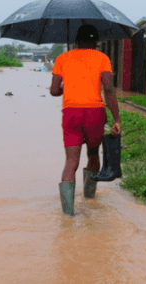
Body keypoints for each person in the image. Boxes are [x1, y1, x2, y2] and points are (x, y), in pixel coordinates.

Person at [50, 25, 121, 216]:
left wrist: (71, 87)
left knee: (71, 161)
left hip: (70, 113)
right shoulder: (102, 58)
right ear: (95, 42)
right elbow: (108, 90)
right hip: (94, 113)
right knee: (93, 155)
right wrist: (116, 119)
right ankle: (89, 199)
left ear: (76, 41)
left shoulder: (62, 58)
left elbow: (54, 91)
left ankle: (67, 214)